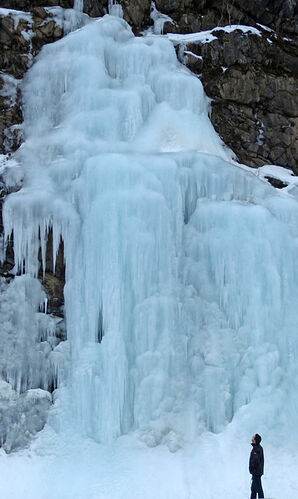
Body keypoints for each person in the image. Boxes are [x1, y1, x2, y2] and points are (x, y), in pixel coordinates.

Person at [249, 434, 264, 499]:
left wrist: (253, 469)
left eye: (253, 437)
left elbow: (255, 460)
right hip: (256, 472)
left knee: (259, 489)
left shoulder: (257, 449)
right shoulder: (257, 448)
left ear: (255, 440)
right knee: (253, 489)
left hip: (256, 472)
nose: (251, 438)